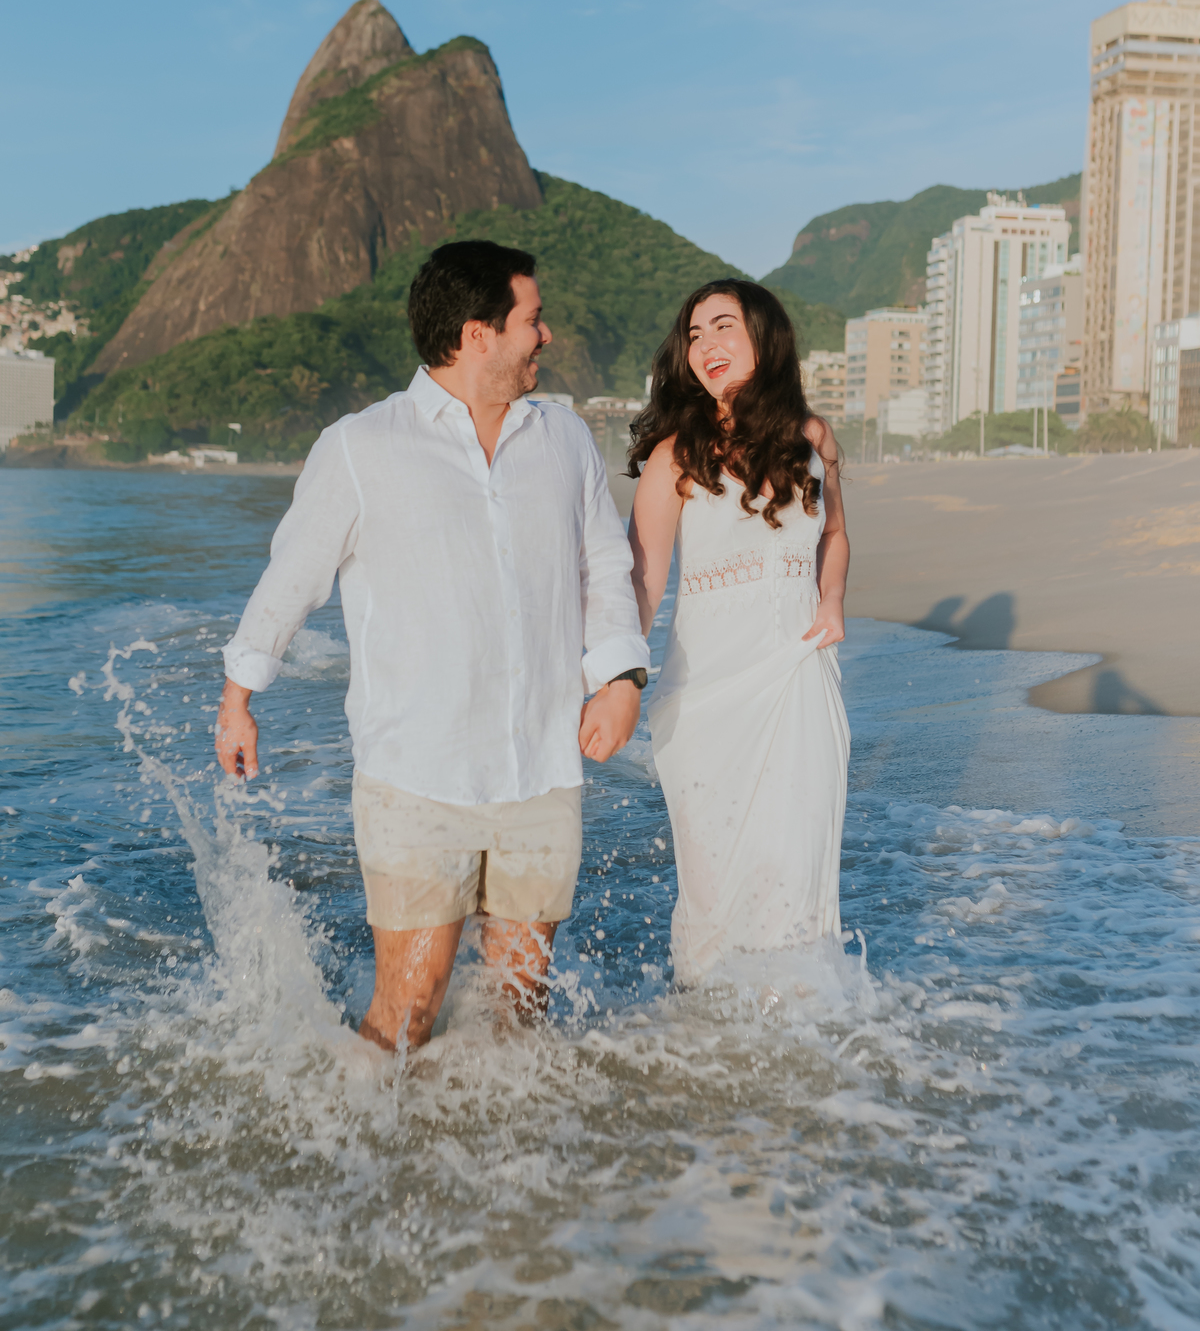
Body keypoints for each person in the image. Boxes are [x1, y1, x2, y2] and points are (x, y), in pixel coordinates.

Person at [215, 240, 650, 1049]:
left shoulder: (563, 440)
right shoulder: (362, 445)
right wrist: (240, 697)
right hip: (419, 778)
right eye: (533, 318)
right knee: (409, 1008)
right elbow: (293, 575)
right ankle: (366, 1160)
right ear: (477, 334)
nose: (546, 336)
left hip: (542, 770)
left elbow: (604, 565)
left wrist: (622, 678)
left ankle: (500, 1169)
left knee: (520, 1015)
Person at [627, 279, 850, 985]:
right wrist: (618, 682)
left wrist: (832, 601)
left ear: (764, 337)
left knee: (792, 864)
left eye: (723, 327)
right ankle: (708, 1038)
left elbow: (836, 536)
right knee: (714, 885)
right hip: (705, 700)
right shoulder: (674, 456)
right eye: (693, 335)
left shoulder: (812, 439)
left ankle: (795, 1029)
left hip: (797, 677)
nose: (705, 347)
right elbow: (641, 582)